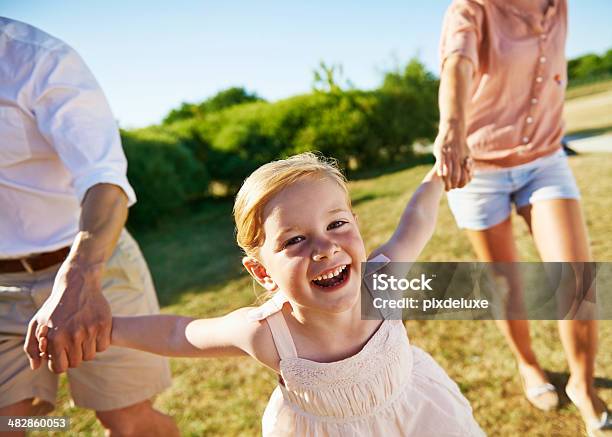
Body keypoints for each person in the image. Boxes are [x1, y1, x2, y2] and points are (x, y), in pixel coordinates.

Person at [86, 152, 485, 436]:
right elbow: (178, 333)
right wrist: (104, 328)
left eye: (337, 224)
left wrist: (437, 174)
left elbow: (414, 224)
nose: (325, 247)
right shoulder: (266, 332)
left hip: (422, 419)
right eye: (295, 239)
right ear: (262, 272)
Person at [435, 0, 611, 435]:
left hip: (544, 159)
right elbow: (457, 62)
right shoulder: (472, 8)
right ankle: (529, 365)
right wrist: (453, 126)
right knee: (505, 283)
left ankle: (582, 385)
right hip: (479, 166)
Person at [0, 17, 178, 436]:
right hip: (2, 287)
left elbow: (106, 182)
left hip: (93, 266)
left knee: (125, 418)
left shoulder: (38, 59)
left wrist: (79, 277)